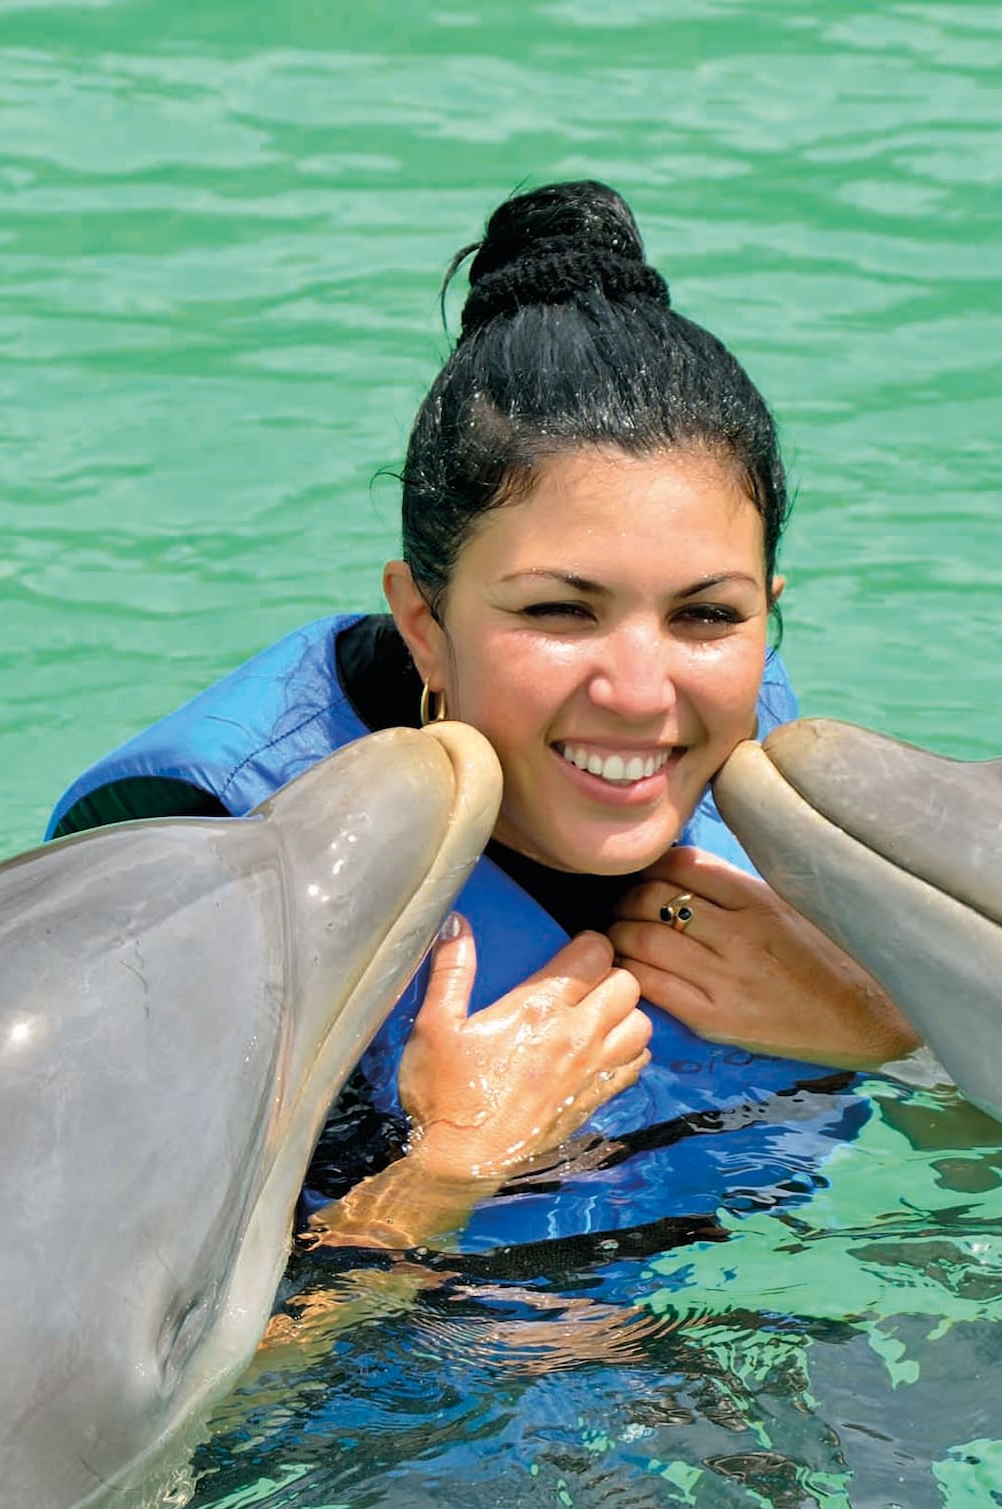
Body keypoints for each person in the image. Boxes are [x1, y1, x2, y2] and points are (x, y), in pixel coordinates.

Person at [48, 181, 914, 1261]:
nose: (643, 693)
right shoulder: (198, 863)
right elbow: (101, 1380)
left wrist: (881, 1028)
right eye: (559, 610)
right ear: (423, 620)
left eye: (704, 614)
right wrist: (443, 1169)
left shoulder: (767, 777)